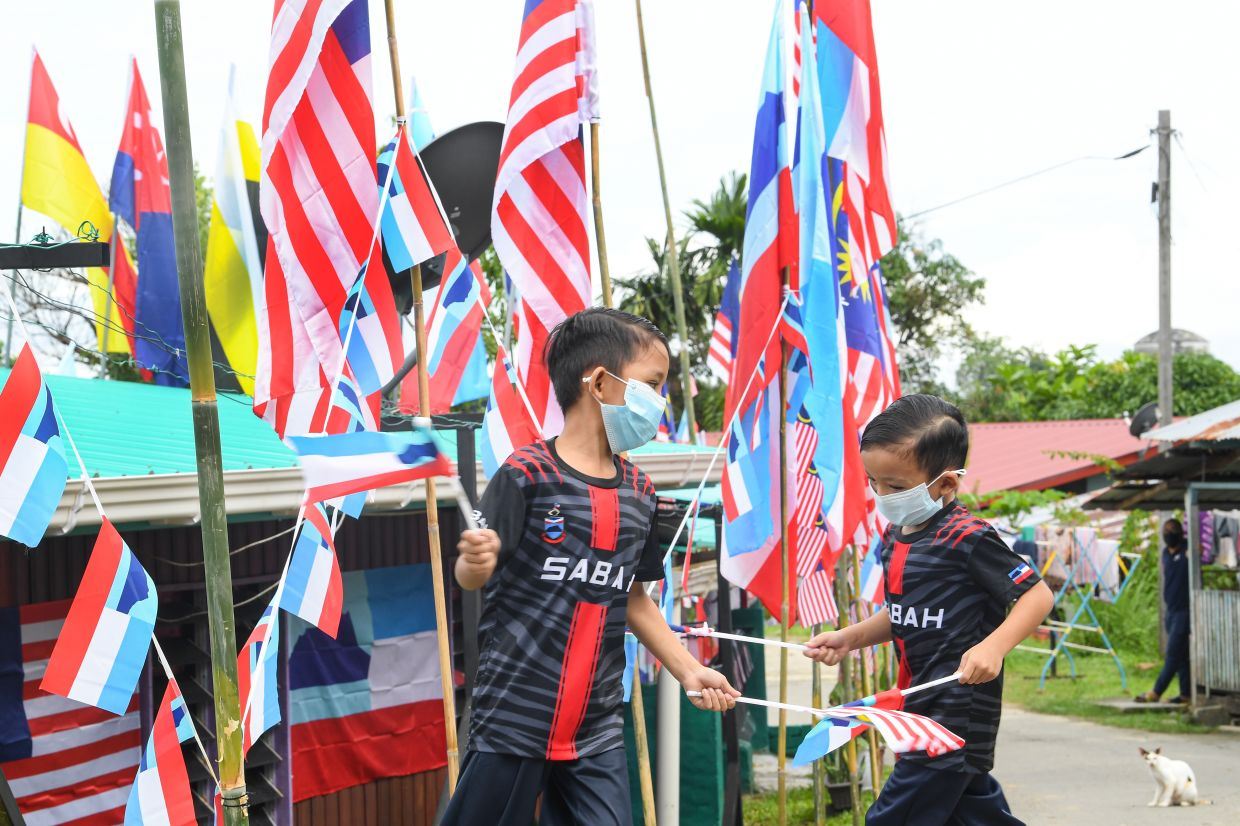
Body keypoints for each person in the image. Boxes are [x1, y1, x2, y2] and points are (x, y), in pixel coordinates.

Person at [442, 308, 738, 826]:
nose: (660, 404)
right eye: (652, 384)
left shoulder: (642, 492)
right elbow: (471, 577)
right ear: (600, 382)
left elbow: (631, 598)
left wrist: (689, 670)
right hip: (515, 716)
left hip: (597, 726)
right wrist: (473, 561)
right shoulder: (526, 473)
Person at [804, 394, 1054, 826]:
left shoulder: (968, 536)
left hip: (954, 713)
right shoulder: (895, 536)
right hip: (917, 704)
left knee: (890, 819)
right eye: (874, 482)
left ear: (946, 484)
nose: (882, 494)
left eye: (897, 486)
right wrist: (851, 638)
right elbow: (901, 611)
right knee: (973, 814)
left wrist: (993, 648)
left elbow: (1037, 596)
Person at [1135, 518, 1191, 704]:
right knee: (1182, 657)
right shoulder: (1165, 553)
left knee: (1173, 654)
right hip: (1170, 611)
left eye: (1173, 529)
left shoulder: (1188, 551)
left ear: (1180, 532)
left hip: (1184, 611)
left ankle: (1156, 692)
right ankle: (1186, 695)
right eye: (1166, 530)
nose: (1169, 533)